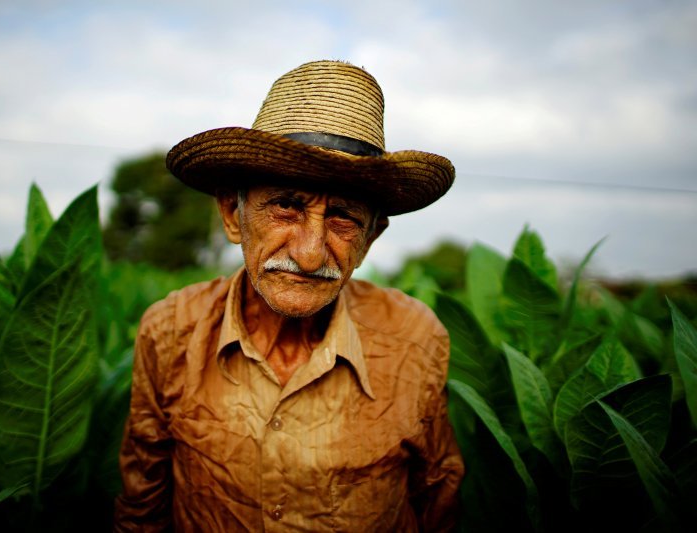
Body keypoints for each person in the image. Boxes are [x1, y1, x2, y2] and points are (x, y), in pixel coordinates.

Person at [114, 60, 464, 532]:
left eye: (343, 216)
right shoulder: (171, 331)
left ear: (370, 238)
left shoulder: (415, 338)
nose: (308, 253)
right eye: (286, 205)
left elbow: (438, 501)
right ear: (232, 215)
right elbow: (141, 509)